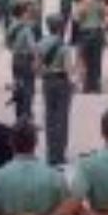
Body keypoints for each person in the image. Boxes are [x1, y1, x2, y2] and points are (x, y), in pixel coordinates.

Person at [36, 13, 74, 166]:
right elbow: (68, 68)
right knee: (62, 118)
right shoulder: (64, 47)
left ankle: (51, 152)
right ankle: (59, 153)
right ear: (61, 27)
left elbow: (36, 68)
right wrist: (72, 83)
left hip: (47, 81)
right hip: (61, 80)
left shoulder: (40, 44)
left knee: (50, 117)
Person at [6, 2, 37, 123]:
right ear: (23, 14)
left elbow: (7, 44)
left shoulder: (11, 26)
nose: (29, 14)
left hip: (16, 59)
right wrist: (36, 60)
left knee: (18, 88)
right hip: (26, 60)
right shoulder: (26, 28)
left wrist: (15, 49)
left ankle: (18, 117)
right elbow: (32, 46)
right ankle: (27, 118)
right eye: (27, 12)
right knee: (28, 90)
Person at [74, 0, 106, 93]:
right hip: (95, 32)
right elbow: (102, 16)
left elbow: (78, 19)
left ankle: (90, 85)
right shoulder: (97, 3)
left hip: (87, 32)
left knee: (90, 59)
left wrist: (86, 5)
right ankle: (93, 85)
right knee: (93, 60)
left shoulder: (94, 3)